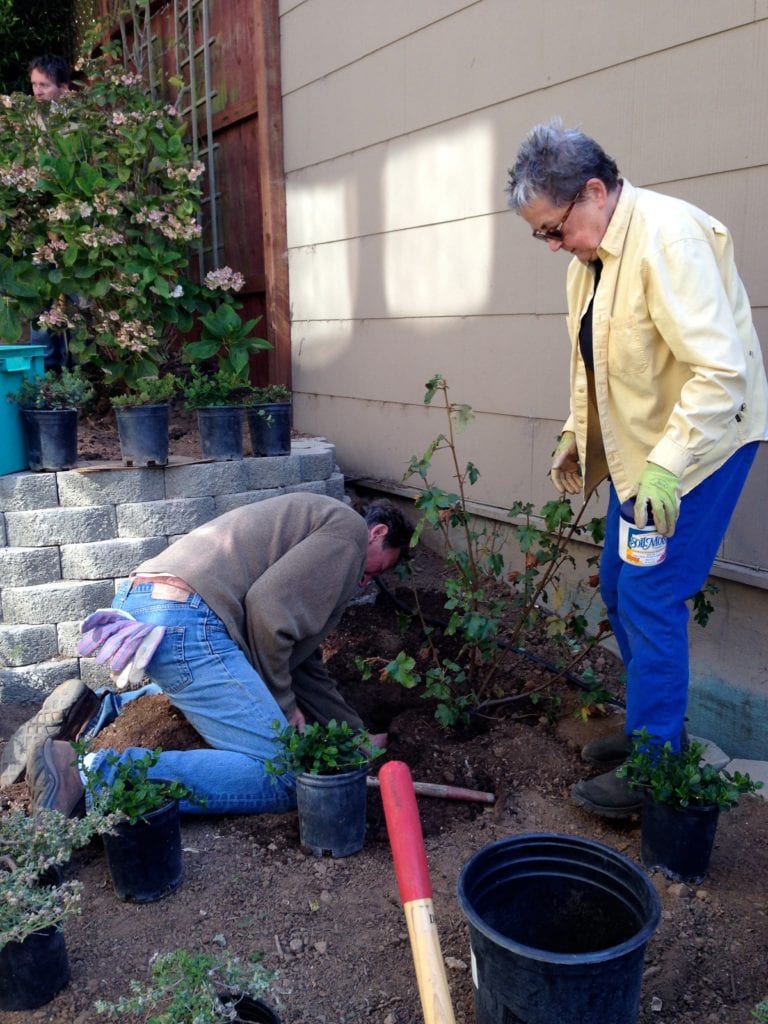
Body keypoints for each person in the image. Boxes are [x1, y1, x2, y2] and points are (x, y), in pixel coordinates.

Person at [506, 119, 768, 818]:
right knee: (623, 588)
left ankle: (656, 769)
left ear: (595, 191)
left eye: (555, 228)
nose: (554, 245)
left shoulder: (668, 238)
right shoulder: (585, 267)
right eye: (543, 236)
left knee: (652, 596)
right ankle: (656, 733)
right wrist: (574, 432)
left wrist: (667, 469)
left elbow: (722, 373)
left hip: (702, 448)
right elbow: (595, 368)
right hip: (645, 456)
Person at [22, 492, 414, 817]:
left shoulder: (318, 528)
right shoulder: (347, 533)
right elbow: (267, 608)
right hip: (189, 620)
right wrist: (282, 705)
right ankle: (91, 775)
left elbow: (303, 664)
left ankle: (94, 717)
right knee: (284, 774)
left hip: (147, 599)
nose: (368, 579)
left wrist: (355, 737)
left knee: (228, 688)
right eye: (380, 568)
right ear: (376, 533)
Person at [28, 55, 72, 370]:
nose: (38, 92)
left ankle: (82, 373)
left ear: (64, 88)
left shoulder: (79, 125)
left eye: (44, 85)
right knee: (40, 296)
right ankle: (45, 374)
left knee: (76, 297)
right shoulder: (26, 125)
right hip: (37, 225)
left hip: (72, 225)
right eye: (34, 85)